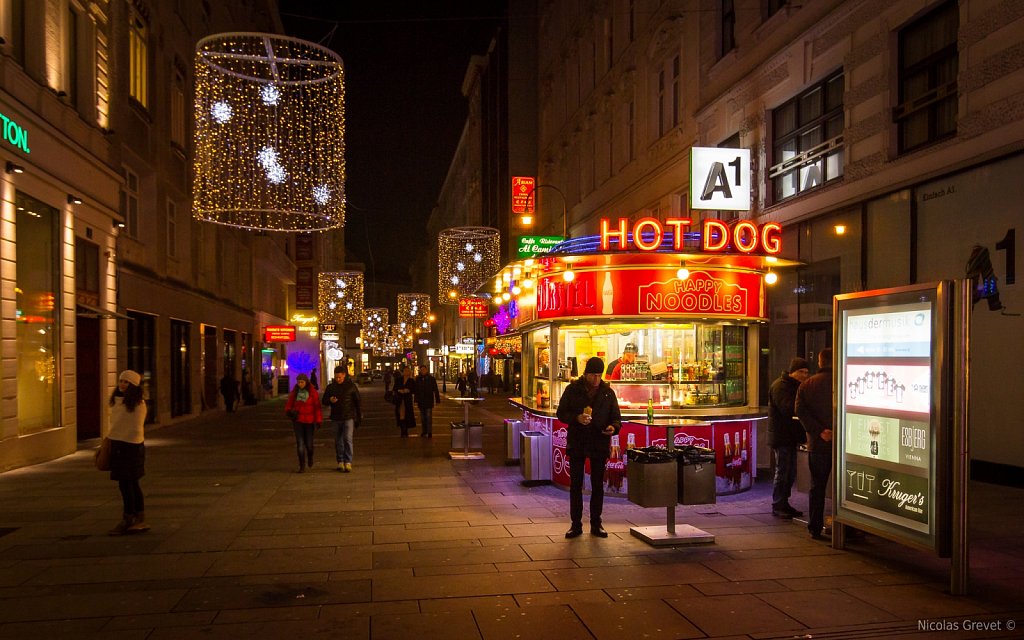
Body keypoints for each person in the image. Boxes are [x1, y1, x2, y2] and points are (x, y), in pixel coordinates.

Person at [556, 357, 622, 539]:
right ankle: (575, 524)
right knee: (576, 485)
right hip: (578, 441)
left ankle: (596, 523)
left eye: (599, 375)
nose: (596, 379)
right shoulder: (572, 390)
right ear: (586, 374)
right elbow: (561, 413)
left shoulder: (608, 393)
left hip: (599, 442)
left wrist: (613, 427)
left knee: (597, 485)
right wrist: (576, 418)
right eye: (593, 375)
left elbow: (616, 418)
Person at [106, 370, 151, 535]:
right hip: (120, 445)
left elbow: (132, 427)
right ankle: (137, 518)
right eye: (121, 381)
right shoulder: (117, 402)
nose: (122, 384)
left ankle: (129, 518)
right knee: (129, 483)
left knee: (127, 484)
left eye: (126, 382)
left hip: (130, 447)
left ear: (133, 386)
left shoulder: (137, 404)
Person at [796, 348, 833, 540]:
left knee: (817, 486)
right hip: (843, 443)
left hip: (817, 444)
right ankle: (848, 525)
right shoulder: (841, 382)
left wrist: (820, 431)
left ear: (820, 361)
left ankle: (815, 526)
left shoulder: (807, 385)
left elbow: (801, 412)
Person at [768, 357, 810, 519]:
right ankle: (778, 503)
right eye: (802, 372)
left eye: (807, 372)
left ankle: (783, 502)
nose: (805, 375)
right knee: (783, 470)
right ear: (794, 372)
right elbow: (788, 409)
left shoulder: (793, 386)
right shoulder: (781, 386)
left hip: (789, 436)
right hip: (782, 436)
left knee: (790, 471)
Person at [322, 365, 361, 472]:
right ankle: (340, 461)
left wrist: (358, 416)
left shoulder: (351, 386)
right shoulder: (331, 387)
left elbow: (357, 401)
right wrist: (330, 400)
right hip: (336, 417)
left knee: (347, 439)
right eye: (336, 377)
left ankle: (348, 462)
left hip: (348, 417)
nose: (338, 379)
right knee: (338, 440)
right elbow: (324, 400)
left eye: (340, 377)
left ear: (344, 375)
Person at [285, 373, 322, 472]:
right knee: (300, 444)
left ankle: (310, 456)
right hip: (298, 421)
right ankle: (302, 465)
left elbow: (317, 408)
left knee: (309, 445)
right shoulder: (295, 392)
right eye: (298, 382)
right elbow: (289, 404)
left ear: (306, 382)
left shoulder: (312, 392)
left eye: (302, 382)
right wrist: (289, 411)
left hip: (309, 421)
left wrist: (318, 420)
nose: (300, 384)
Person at [413, 365, 442, 438]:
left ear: (427, 370)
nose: (423, 371)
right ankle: (424, 431)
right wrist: (416, 400)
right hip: (421, 400)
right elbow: (416, 390)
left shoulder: (431, 379)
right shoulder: (418, 379)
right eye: (421, 370)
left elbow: (435, 389)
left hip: (429, 400)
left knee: (428, 417)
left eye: (424, 369)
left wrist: (437, 399)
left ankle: (429, 432)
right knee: (423, 417)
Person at [393, 366, 416, 437]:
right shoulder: (399, 380)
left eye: (408, 371)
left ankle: (405, 430)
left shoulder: (411, 380)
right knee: (401, 415)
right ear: (403, 372)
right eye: (405, 371)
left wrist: (408, 390)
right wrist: (399, 390)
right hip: (399, 400)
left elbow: (414, 389)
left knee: (407, 415)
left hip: (407, 400)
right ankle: (402, 430)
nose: (406, 372)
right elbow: (395, 388)